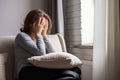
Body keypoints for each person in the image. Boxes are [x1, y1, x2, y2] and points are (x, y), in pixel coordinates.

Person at [14, 9, 81, 80]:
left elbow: (54, 55)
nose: (42, 28)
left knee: (76, 70)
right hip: (27, 71)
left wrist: (44, 36)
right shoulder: (21, 36)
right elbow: (40, 53)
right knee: (72, 75)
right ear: (31, 23)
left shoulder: (41, 39)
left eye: (45, 26)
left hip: (42, 68)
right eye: (41, 25)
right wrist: (38, 33)